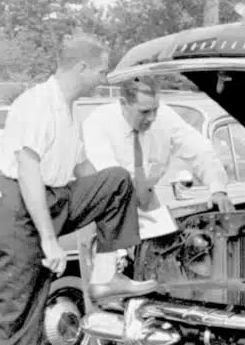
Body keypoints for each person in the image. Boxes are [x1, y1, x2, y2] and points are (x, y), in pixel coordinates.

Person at [0, 34, 157, 345]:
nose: (103, 78)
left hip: (53, 198)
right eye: (101, 70)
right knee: (18, 320)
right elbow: (28, 171)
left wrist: (119, 200)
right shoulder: (36, 104)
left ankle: (106, 277)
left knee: (117, 179)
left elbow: (81, 168)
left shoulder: (66, 108)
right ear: (81, 68)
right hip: (20, 208)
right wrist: (49, 240)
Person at [81, 75, 234, 290]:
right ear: (123, 104)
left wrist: (217, 189)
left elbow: (199, 150)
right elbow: (111, 178)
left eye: (155, 109)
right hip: (103, 208)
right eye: (144, 112)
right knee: (108, 287)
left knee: (164, 270)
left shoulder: (165, 117)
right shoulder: (98, 122)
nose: (152, 118)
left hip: (146, 198)